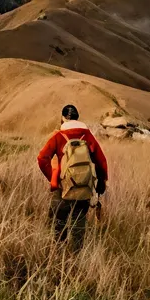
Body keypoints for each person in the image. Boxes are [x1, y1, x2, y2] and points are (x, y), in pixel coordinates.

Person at [37, 104, 108, 251]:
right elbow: (101, 160)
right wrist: (102, 181)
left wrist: (53, 177)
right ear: (77, 118)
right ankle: (76, 257)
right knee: (79, 224)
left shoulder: (58, 136)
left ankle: (58, 255)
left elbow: (42, 158)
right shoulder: (87, 136)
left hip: (63, 187)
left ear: (63, 118)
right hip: (84, 187)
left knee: (59, 222)